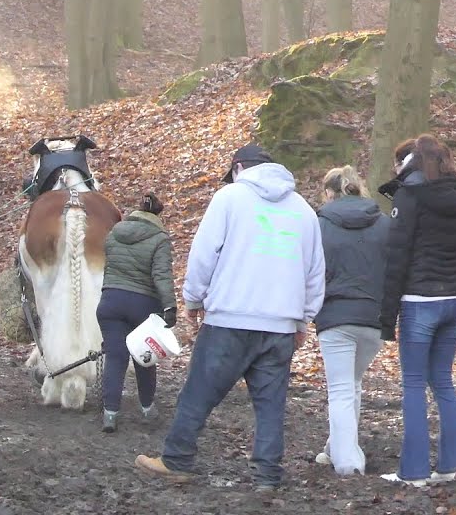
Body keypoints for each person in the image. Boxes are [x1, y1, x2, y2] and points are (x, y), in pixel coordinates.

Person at [135, 144, 324, 492]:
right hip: (281, 324)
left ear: (238, 167)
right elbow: (315, 272)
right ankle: (267, 476)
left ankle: (177, 460)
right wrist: (303, 320)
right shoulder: (304, 210)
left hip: (230, 319)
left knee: (198, 393)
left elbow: (204, 253)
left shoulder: (229, 198)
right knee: (270, 406)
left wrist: (193, 298)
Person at [377, 134, 456, 487]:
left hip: (420, 301)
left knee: (414, 384)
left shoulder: (409, 196)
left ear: (410, 164)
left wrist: (387, 318)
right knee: (443, 382)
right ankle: (452, 464)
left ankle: (414, 470)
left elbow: (397, 256)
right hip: (453, 300)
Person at [313, 165, 391, 476]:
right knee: (352, 383)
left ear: (329, 193)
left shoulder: (319, 224)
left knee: (342, 389)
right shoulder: (385, 223)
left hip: (335, 317)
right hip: (374, 319)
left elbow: (311, 270)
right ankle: (336, 447)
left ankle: (348, 464)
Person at [97, 193, 177, 434]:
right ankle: (147, 409)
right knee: (145, 358)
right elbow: (161, 276)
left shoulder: (114, 233)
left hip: (110, 302)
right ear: (157, 215)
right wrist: (170, 307)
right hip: (142, 305)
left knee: (115, 357)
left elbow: (109, 267)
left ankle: (110, 415)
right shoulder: (159, 239)